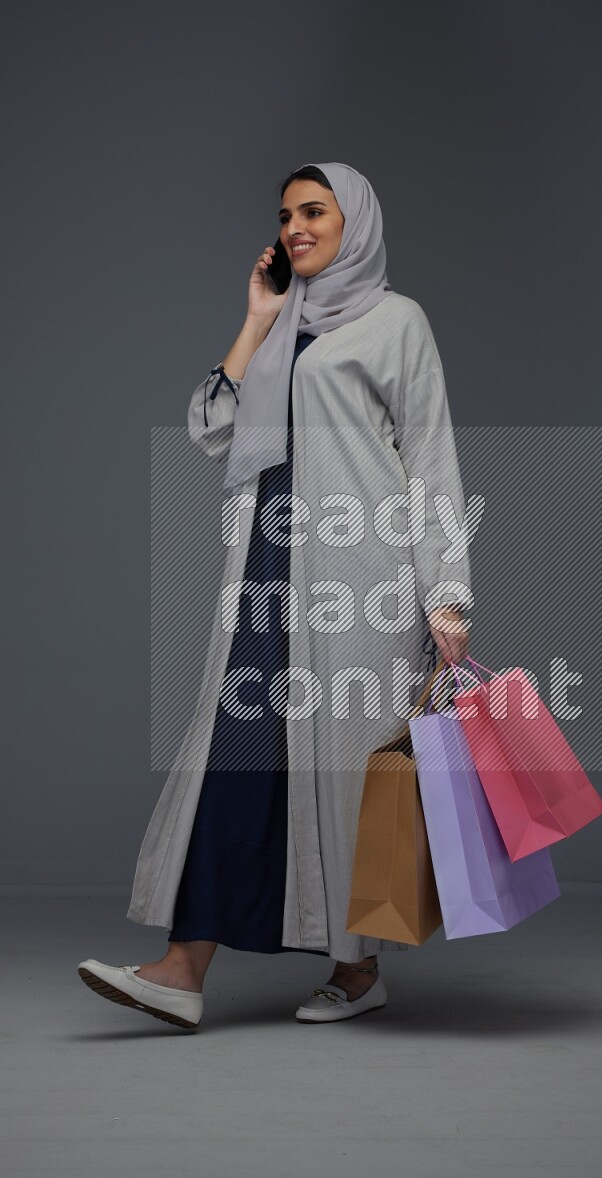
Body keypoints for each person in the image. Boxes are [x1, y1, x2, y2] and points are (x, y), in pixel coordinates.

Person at [78, 161, 473, 1030]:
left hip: (360, 581)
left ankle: (357, 968)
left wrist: (446, 593)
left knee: (344, 780)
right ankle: (183, 968)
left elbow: (432, 459)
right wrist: (256, 319)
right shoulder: (283, 321)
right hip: (265, 575)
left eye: (314, 211)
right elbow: (211, 428)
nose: (296, 227)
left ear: (353, 221)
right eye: (287, 215)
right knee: (239, 755)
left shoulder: (397, 323)